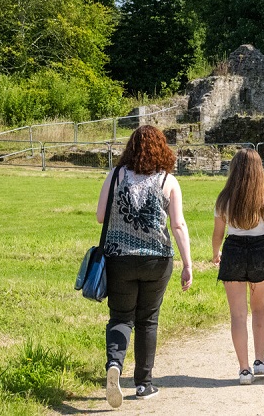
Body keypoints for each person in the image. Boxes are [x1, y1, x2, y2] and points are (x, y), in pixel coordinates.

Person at [95, 125, 193, 408]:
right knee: (148, 320)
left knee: (121, 317)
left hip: (120, 258)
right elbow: (178, 224)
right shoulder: (168, 181)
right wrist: (188, 263)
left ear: (131, 148)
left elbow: (101, 216)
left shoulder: (115, 175)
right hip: (156, 259)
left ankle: (114, 362)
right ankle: (143, 384)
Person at [212, 148, 264, 385]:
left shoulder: (224, 199)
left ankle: (244, 369)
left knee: (238, 314)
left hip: (233, 250)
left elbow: (218, 233)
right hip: (259, 251)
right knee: (260, 307)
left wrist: (216, 252)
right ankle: (260, 360)